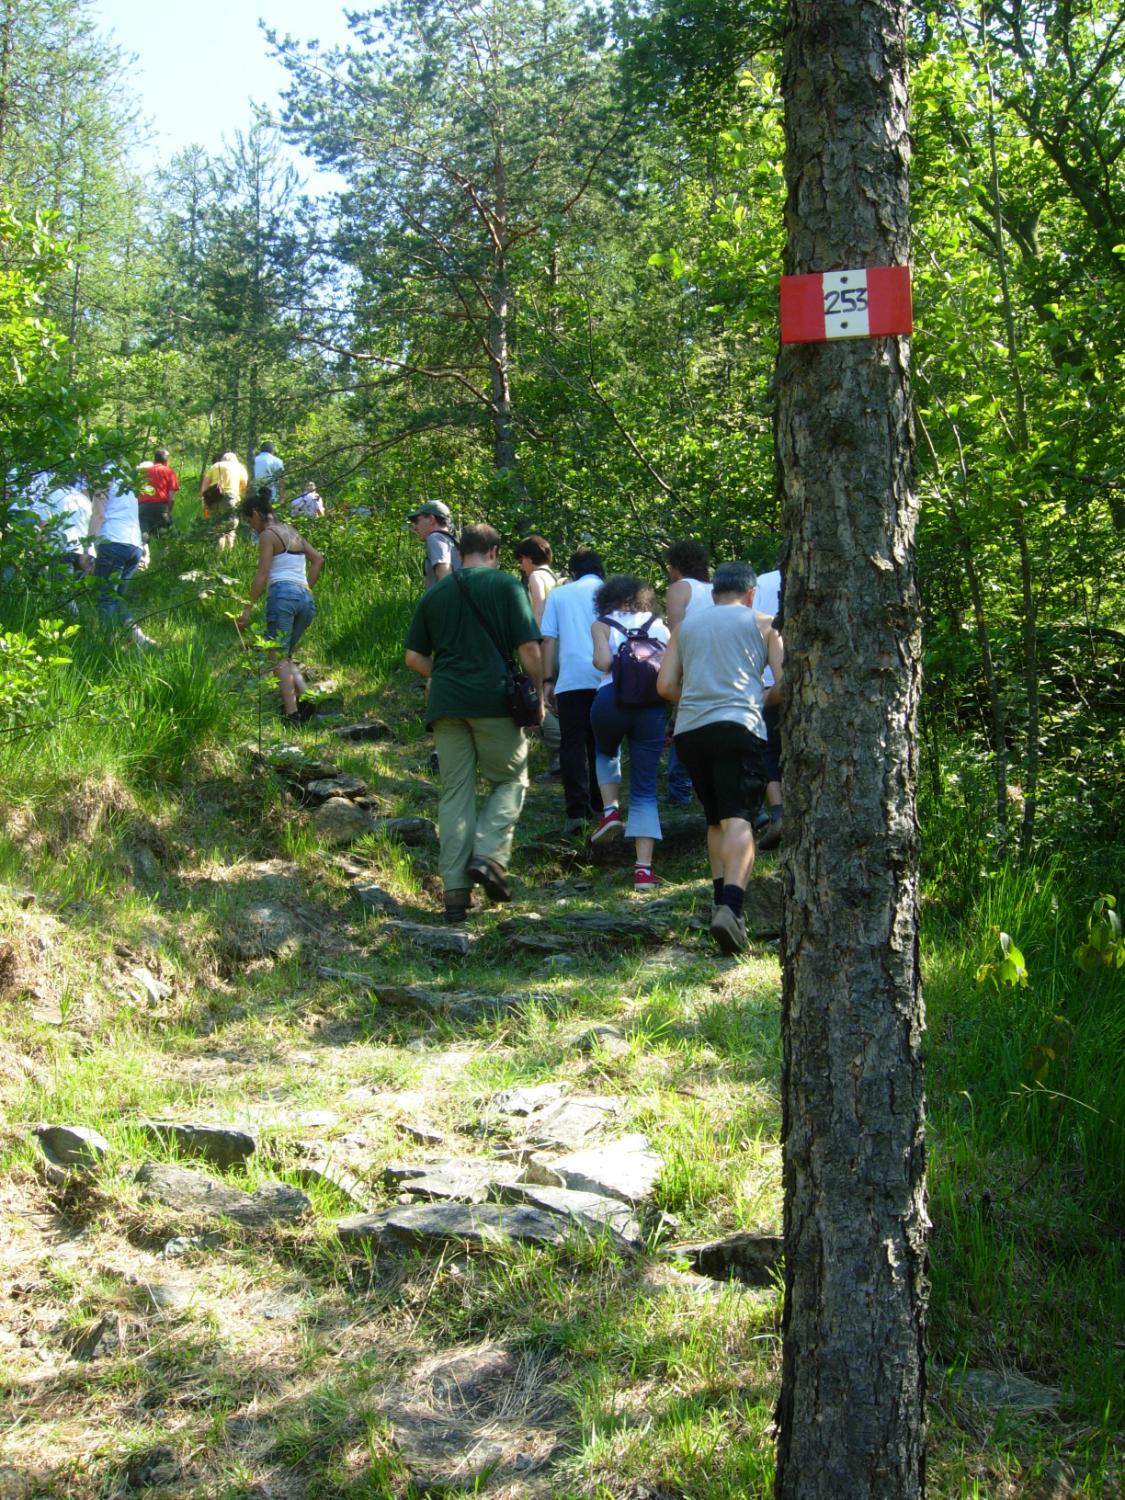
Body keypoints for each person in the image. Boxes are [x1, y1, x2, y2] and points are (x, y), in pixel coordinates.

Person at [404, 523, 543, 924]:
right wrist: (537, 695)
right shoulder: (505, 586)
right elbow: (529, 648)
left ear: (460, 551)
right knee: (510, 780)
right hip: (493, 699)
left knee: (455, 793)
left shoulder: (436, 594)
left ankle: (454, 893)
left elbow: (414, 658)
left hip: (446, 704)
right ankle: (488, 855)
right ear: (495, 552)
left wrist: (445, 673)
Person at [657, 561, 783, 954]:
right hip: (739, 726)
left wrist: (697, 698)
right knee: (739, 819)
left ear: (713, 595)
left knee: (714, 819)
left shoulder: (685, 628)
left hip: (691, 731)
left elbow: (664, 685)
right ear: (749, 594)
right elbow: (786, 682)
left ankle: (719, 904)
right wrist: (759, 700)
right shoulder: (765, 623)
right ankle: (731, 908)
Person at [589, 575, 671, 890]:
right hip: (650, 707)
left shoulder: (602, 623)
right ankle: (643, 872)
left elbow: (603, 662)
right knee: (646, 788)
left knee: (606, 750)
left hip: (611, 699)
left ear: (608, 598)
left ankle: (610, 811)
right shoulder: (658, 624)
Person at [236, 490, 324, 725]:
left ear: (256, 514)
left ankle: (292, 714)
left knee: (277, 657)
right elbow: (318, 560)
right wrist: (307, 588)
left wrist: (247, 608)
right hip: (305, 599)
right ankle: (306, 699)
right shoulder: (292, 532)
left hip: (283, 596)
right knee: (285, 655)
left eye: (249, 520)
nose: (250, 525)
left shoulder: (268, 535)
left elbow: (262, 574)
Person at [540, 548, 606, 833]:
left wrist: (546, 680)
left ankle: (576, 811)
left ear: (574, 570)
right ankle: (604, 805)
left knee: (572, 743)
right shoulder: (611, 592)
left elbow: (548, 640)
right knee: (602, 743)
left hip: (571, 679)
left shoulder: (560, 594)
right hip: (606, 677)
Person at [664, 540, 716, 807]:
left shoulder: (679, 589)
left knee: (685, 723)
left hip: (693, 663)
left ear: (676, 566)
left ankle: (680, 791)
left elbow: (677, 635)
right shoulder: (716, 589)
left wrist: (676, 673)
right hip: (721, 664)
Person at [90, 468, 155, 646]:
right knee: (116, 596)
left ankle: (107, 643)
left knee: (105, 596)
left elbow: (99, 514)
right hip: (134, 545)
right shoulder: (128, 482)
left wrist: (90, 545)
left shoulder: (104, 479)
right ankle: (139, 637)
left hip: (113, 542)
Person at [514, 534, 561, 777]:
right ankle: (559, 759)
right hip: (562, 644)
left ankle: (559, 752)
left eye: (521, 559)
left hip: (546, 643)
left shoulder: (535, 576)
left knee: (539, 698)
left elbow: (540, 612)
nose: (521, 566)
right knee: (556, 700)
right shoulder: (555, 576)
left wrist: (535, 645)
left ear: (528, 557)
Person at [753, 564, 785, 850]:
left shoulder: (763, 581)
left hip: (770, 680)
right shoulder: (834, 569)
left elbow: (755, 620)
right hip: (821, 677)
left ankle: (778, 812)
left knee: (768, 750)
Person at [32, 476, 93, 577]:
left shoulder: (49, 495)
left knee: (58, 589)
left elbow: (43, 527)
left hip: (61, 550)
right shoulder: (85, 500)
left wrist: (39, 557)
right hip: (84, 553)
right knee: (77, 591)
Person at [200, 450, 248, 552]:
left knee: (218, 529)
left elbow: (204, 486)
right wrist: (242, 499)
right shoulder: (240, 468)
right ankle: (228, 555)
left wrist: (204, 501)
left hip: (214, 498)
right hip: (231, 498)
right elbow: (244, 487)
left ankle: (219, 554)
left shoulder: (215, 466)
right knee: (230, 529)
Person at [408, 499, 461, 588]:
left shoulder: (435, 538)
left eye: (417, 521)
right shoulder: (451, 541)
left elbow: (445, 576)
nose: (415, 528)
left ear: (431, 519)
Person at [137, 447, 179, 553]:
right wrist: (168, 511)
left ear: (154, 459)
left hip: (143, 506)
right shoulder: (169, 471)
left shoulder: (143, 472)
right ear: (166, 461)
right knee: (165, 537)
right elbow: (172, 498)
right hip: (161, 507)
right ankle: (165, 559)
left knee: (143, 533)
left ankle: (142, 559)